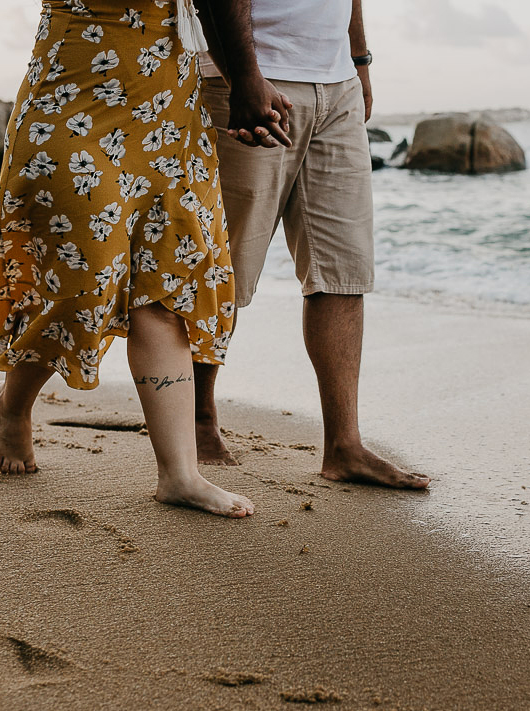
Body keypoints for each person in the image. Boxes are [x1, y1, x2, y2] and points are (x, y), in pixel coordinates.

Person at [0, 0, 289, 517]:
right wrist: (247, 80)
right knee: (78, 282)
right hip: (70, 99)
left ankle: (180, 475)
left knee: (166, 287)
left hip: (168, 110)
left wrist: (246, 80)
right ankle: (12, 402)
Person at [193, 0, 430, 490]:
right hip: (250, 77)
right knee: (224, 266)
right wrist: (244, 76)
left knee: (342, 269)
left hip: (336, 82)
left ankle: (344, 445)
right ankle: (197, 420)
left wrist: (358, 59)